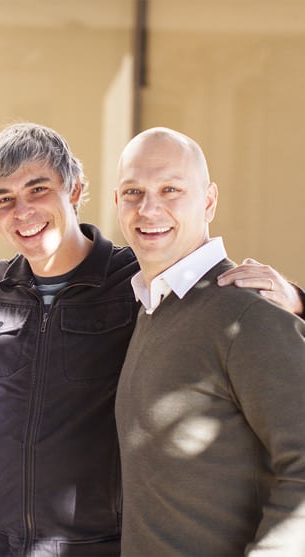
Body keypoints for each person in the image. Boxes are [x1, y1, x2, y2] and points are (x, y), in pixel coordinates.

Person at [0, 122, 304, 556]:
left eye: (38, 190)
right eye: (4, 200)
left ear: (75, 191)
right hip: (2, 543)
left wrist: (295, 298)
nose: (23, 211)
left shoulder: (149, 284)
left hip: (96, 545)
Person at [114, 126, 305, 555]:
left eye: (170, 189)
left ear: (209, 201)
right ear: (116, 202)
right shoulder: (150, 306)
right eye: (132, 192)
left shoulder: (249, 314)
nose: (149, 208)